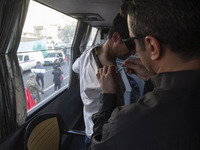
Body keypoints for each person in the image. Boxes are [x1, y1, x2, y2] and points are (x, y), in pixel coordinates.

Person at [90, 0, 200, 149]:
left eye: (133, 41)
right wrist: (152, 79)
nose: (134, 51)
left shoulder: (127, 124)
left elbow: (98, 144)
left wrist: (108, 96)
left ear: (152, 46)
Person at [72, 13, 135, 149]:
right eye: (130, 45)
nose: (134, 51)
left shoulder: (88, 53)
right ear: (116, 38)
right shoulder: (112, 77)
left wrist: (85, 74)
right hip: (103, 134)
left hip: (89, 127)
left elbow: (75, 67)